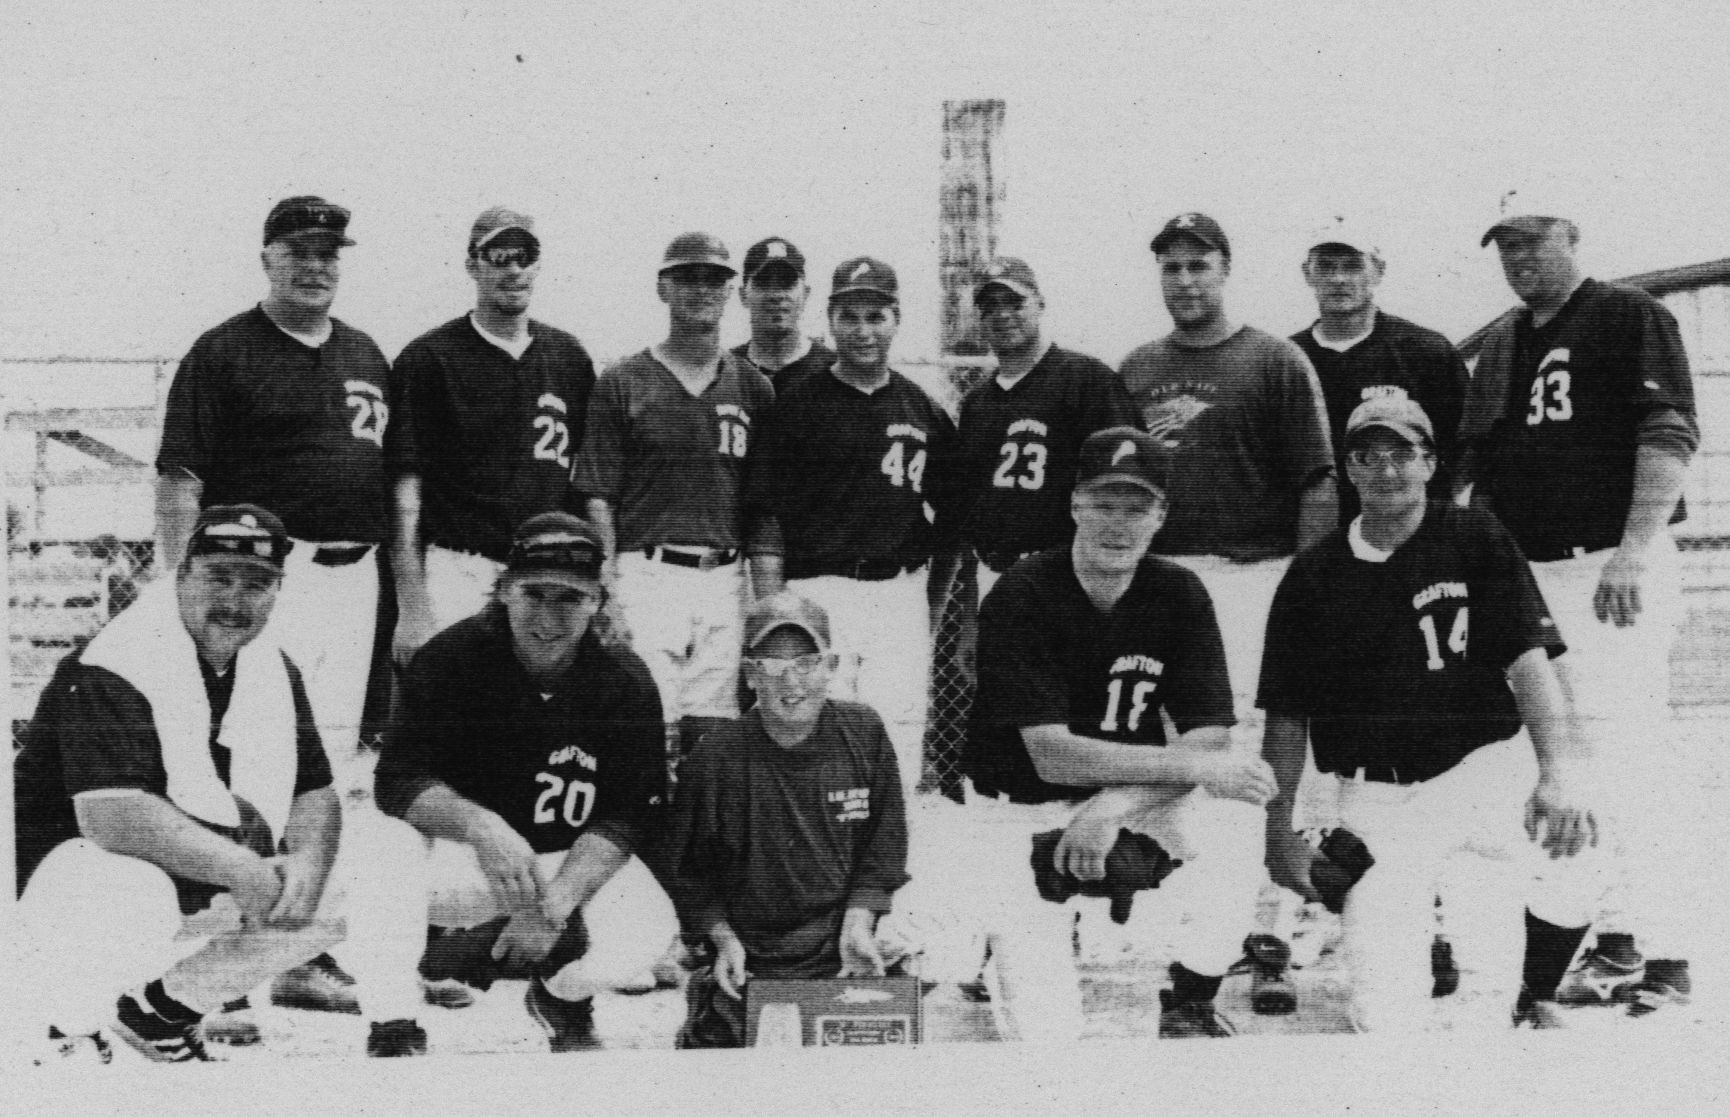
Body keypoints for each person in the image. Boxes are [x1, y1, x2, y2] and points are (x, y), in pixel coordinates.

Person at [15, 505, 427, 1062]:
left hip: (208, 868)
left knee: (382, 852)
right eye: (218, 578)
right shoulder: (113, 660)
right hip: (72, 881)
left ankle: (166, 1010)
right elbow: (112, 816)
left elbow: (314, 791)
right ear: (181, 575)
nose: (235, 601)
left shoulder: (272, 665)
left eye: (256, 583)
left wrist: (306, 865)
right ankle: (67, 1028)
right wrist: (245, 870)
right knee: (125, 892)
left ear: (277, 590)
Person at [1259, 397, 1594, 1032]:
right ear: (1348, 468)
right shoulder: (1312, 573)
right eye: (1367, 455)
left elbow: (1529, 662)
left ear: (1430, 462)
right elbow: (1286, 717)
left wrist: (1556, 772)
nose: (1385, 470)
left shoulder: (1476, 537)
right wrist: (1278, 832)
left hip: (1478, 773)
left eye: (1402, 454)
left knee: (1486, 986)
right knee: (1381, 1005)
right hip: (1375, 794)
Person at [1457, 190, 1700, 1021]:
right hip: (1538, 574)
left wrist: (1636, 545)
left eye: (1535, 242)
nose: (1521, 259)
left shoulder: (1627, 314)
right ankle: (1618, 942)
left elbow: (1667, 432)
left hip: (1609, 566)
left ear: (1572, 235)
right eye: (1507, 247)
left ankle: (1669, 956)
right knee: (1567, 765)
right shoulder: (1503, 340)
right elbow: (1480, 464)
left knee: (1632, 758)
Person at [963, 427, 1277, 1041]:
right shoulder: (1022, 592)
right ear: (1074, 504)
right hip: (1018, 811)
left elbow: (1208, 735)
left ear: (1161, 516)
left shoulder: (1178, 590)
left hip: (1128, 800)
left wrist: (1112, 806)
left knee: (1238, 824)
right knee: (1047, 1039)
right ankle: (993, 945)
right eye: (1104, 505)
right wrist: (1182, 772)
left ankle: (1190, 996)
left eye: (1136, 509)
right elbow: (1052, 756)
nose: (1119, 524)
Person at [1118, 212, 1337, 1012]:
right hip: (1163, 579)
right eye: (1171, 266)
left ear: (1226, 268)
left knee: (1244, 759)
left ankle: (1235, 951)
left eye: (1199, 265)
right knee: (1170, 758)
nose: (1185, 280)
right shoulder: (1138, 367)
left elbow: (1317, 483)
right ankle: (1186, 940)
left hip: (1251, 576)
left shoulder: (1274, 361)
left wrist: (1305, 593)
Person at [376, 513, 677, 1052]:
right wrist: (480, 825)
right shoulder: (450, 658)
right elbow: (397, 782)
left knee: (647, 936)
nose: (548, 615)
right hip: (465, 860)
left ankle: (560, 996)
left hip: (562, 861)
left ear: (597, 603)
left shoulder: (624, 678)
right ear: (504, 591)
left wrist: (552, 909)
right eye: (534, 594)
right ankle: (393, 1022)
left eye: (569, 598)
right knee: (379, 852)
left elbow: (634, 811)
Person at [155, 196, 394, 786]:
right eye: (299, 253)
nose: (315, 267)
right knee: (256, 734)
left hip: (357, 577)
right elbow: (180, 481)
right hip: (265, 576)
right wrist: (182, 585)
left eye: (328, 255)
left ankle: (312, 871)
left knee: (334, 746)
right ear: (267, 258)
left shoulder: (364, 351)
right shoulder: (223, 350)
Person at [746, 256, 962, 792]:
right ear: (830, 320)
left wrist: (930, 611)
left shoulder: (923, 409)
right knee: (813, 730)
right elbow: (767, 519)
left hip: (898, 590)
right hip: (819, 590)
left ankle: (891, 864)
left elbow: (953, 525)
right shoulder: (796, 406)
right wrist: (776, 609)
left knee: (898, 731)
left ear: (896, 319)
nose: (863, 331)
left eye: (875, 316)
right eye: (850, 317)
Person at [668, 591, 909, 1048]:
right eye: (772, 664)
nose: (791, 680)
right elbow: (689, 876)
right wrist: (721, 939)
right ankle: (706, 1003)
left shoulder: (865, 731)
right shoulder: (714, 758)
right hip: (752, 943)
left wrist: (861, 921)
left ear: (831, 666)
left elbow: (885, 843)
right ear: (750, 673)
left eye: (805, 662)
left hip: (842, 931)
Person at [571, 232, 776, 758]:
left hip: (725, 577)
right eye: (687, 277)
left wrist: (765, 599)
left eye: (714, 278)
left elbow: (762, 506)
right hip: (648, 571)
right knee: (646, 726)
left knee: (712, 737)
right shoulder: (623, 379)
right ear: (663, 287)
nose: (701, 289)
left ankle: (700, 842)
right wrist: (607, 586)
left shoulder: (753, 388)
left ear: (731, 291)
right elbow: (597, 495)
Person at [389, 206, 597, 656]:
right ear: (472, 264)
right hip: (460, 566)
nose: (514, 269)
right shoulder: (429, 357)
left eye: (525, 256)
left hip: (546, 572)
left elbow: (586, 485)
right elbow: (406, 500)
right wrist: (412, 604)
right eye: (498, 256)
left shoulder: (569, 357)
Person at [948, 256, 1140, 601]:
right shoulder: (977, 403)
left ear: (1040, 303)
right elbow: (969, 513)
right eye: (990, 306)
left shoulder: (1087, 379)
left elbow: (1124, 486)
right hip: (997, 575)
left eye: (1015, 302)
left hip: (1071, 577)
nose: (1002, 314)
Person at [1289, 218, 1467, 526]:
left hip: (1413, 538)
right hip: (1320, 541)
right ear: (1307, 273)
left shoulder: (1425, 351)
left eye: (1353, 266)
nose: (1339, 279)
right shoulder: (1286, 359)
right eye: (1327, 267)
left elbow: (1465, 450)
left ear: (1379, 270)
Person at [730, 236, 836, 391]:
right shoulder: (722, 372)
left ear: (805, 294)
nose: (776, 295)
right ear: (743, 295)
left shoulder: (837, 371)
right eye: (763, 283)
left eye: (787, 283)